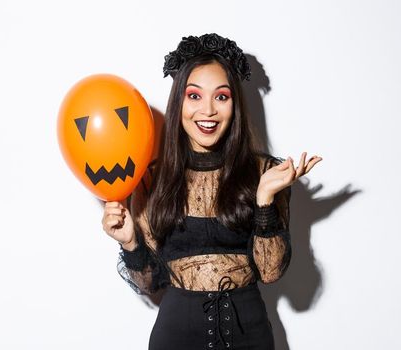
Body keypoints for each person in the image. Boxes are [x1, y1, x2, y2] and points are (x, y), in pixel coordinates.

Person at [102, 33, 322, 350]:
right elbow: (150, 283)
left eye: (221, 97)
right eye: (194, 96)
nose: (208, 110)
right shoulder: (154, 177)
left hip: (250, 337)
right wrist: (131, 242)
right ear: (179, 103)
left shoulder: (266, 173)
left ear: (235, 105)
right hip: (175, 336)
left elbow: (271, 272)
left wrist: (264, 200)